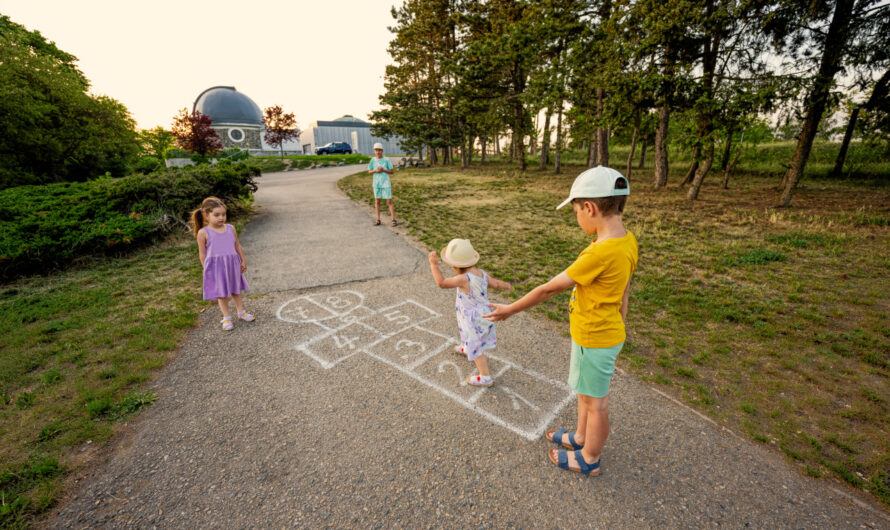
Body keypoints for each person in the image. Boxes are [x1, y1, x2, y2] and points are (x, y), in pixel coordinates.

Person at [484, 166, 638, 477]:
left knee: (597, 404)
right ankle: (581, 437)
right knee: (584, 392)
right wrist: (621, 322)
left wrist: (509, 310)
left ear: (590, 208)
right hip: (598, 333)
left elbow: (548, 289)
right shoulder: (627, 241)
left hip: (596, 337)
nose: (577, 217)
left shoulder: (599, 254)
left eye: (576, 210)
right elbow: (624, 288)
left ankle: (590, 457)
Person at [428, 239, 512, 386]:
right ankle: (466, 346)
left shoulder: (463, 278)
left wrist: (433, 265)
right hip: (477, 314)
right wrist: (507, 286)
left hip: (474, 319)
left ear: (455, 266)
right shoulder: (483, 274)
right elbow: (496, 284)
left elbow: (441, 283)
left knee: (477, 348)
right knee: (465, 332)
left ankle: (485, 377)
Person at [192, 196, 256, 331]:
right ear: (206, 215)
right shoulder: (203, 233)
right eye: (216, 215)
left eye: (223, 214)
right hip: (216, 268)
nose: (221, 217)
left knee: (236, 289)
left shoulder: (230, 228)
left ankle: (241, 312)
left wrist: (243, 260)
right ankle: (226, 317)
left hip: (232, 264)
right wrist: (207, 269)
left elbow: (237, 246)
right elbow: (202, 254)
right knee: (221, 293)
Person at [368, 142, 396, 226]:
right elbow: (369, 171)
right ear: (374, 151)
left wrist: (383, 170)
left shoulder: (386, 160)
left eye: (379, 150)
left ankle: (393, 219)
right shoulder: (373, 160)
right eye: (376, 150)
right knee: (377, 201)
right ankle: (378, 219)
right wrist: (375, 171)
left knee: (389, 201)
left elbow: (392, 171)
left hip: (385, 183)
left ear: (382, 151)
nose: (378, 152)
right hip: (376, 184)